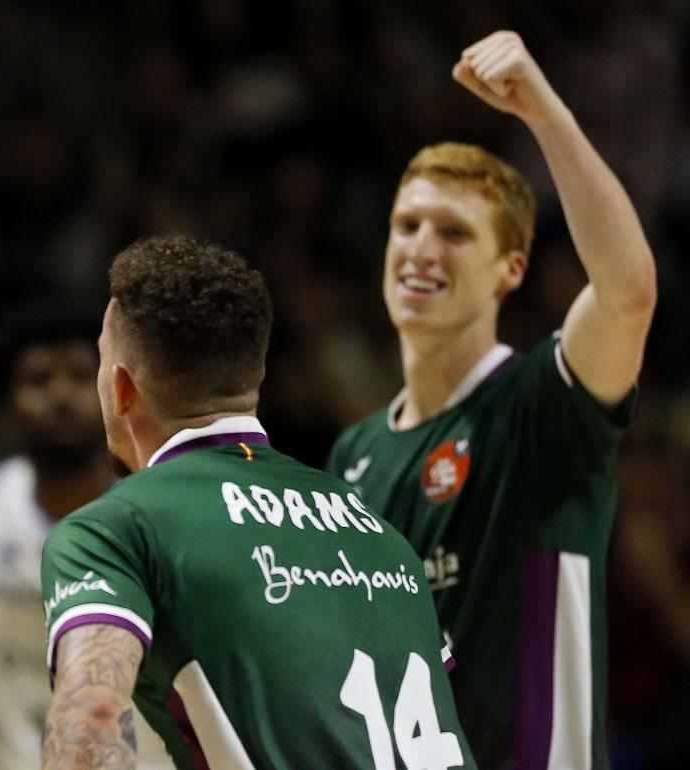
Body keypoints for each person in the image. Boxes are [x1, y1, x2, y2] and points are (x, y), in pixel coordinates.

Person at [325, 31, 658, 768]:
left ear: (511, 269)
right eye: (406, 226)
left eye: (453, 233)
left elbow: (628, 292)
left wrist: (544, 115)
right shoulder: (354, 455)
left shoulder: (544, 401)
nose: (421, 248)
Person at [40, 235, 475, 769]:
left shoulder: (114, 527)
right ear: (254, 378)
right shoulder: (380, 532)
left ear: (122, 387)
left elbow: (90, 722)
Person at [0, 307, 173, 770]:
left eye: (79, 375)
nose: (60, 393)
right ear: (5, 410)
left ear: (117, 397)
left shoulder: (157, 515)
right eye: (36, 380)